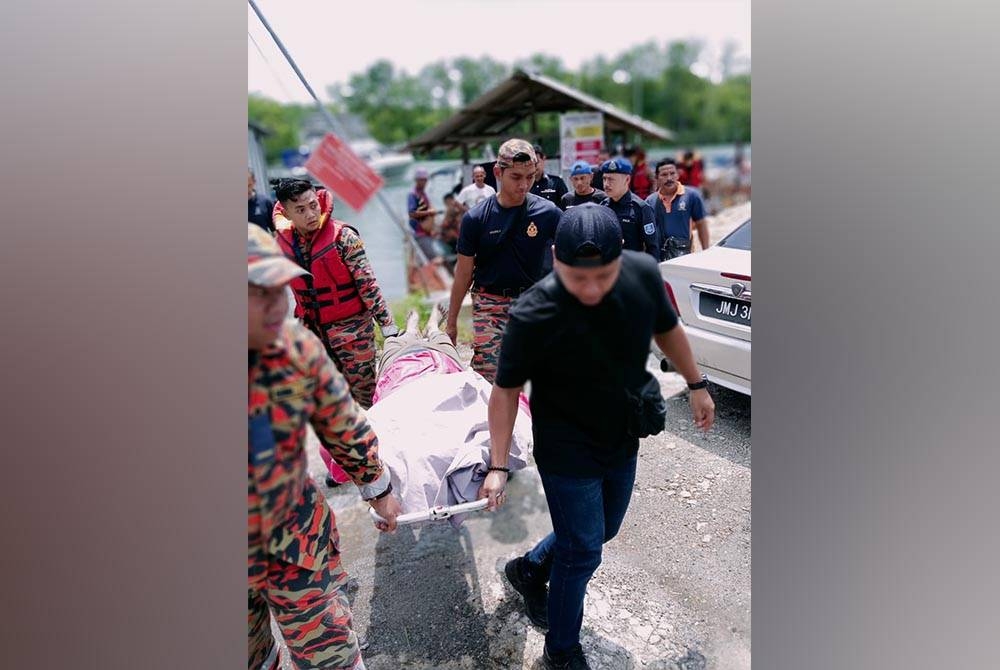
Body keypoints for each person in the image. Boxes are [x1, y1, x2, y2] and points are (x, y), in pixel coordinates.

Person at [478, 204, 716, 670]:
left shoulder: (642, 275)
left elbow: (667, 329)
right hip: (566, 448)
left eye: (603, 277)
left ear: (622, 259)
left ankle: (527, 570)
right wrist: (498, 465)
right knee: (583, 551)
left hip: (621, 435)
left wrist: (696, 384)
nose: (590, 290)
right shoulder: (534, 312)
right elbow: (504, 392)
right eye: (576, 278)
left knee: (602, 530)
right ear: (554, 256)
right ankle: (561, 649)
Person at [247, 223, 401, 670]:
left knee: (330, 659)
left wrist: (378, 487)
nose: (280, 304)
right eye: (261, 293)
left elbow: (343, 423)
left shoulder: (295, 349)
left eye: (281, 289)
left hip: (292, 543)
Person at [272, 178, 398, 410]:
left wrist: (388, 326)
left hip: (353, 334)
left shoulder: (344, 238)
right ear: (287, 214)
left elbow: (368, 285)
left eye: (313, 205)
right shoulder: (280, 245)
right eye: (300, 210)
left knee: (367, 398)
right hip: (314, 336)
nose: (310, 213)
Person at [445, 138, 562, 384]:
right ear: (498, 173)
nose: (524, 184)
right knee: (491, 377)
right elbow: (463, 274)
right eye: (516, 177)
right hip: (490, 304)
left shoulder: (548, 212)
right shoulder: (476, 219)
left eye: (530, 176)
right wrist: (452, 322)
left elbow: (573, 244)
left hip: (533, 301)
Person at [646, 158, 709, 258]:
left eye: (672, 173)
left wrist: (706, 252)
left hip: (684, 256)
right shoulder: (650, 201)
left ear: (678, 175)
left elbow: (701, 224)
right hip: (658, 257)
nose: (669, 178)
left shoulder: (691, 196)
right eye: (664, 175)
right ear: (656, 177)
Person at [598, 157, 659, 260]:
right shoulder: (603, 207)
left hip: (632, 270)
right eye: (604, 179)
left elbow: (652, 248)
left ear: (627, 180)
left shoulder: (640, 208)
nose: (606, 184)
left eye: (611, 179)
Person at [407, 167, 441, 262]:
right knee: (434, 259)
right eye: (421, 180)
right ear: (416, 180)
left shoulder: (423, 194)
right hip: (420, 233)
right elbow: (412, 213)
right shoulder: (413, 195)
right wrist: (429, 212)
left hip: (428, 232)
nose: (424, 182)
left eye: (425, 180)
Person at [529, 144, 569, 210]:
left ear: (544, 159)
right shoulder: (525, 185)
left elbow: (566, 208)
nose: (534, 166)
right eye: (531, 163)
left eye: (536, 162)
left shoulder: (556, 182)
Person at [248, 168, 276, 234]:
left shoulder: (265, 202)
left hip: (262, 244)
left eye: (249, 185)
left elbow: (275, 231)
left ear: (254, 181)